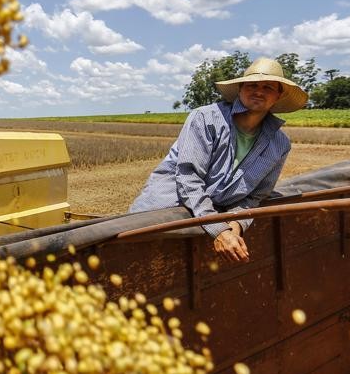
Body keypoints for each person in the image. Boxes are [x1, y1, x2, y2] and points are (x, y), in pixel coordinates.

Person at [129, 57, 308, 263]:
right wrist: (218, 229)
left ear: (278, 96)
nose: (259, 91)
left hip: (207, 225)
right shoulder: (206, 119)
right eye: (252, 85)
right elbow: (189, 177)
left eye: (268, 87)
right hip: (162, 214)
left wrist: (235, 225)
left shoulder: (279, 144)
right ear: (240, 89)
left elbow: (255, 197)